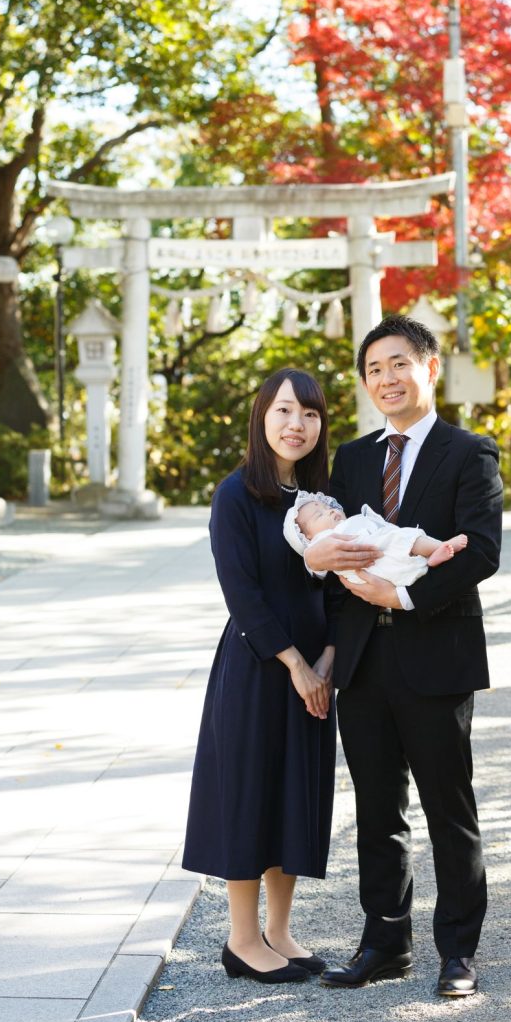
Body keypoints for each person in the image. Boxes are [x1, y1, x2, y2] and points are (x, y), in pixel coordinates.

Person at [304, 316, 503, 998]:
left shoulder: (468, 452)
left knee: (447, 807)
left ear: (428, 368)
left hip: (435, 655)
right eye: (372, 371)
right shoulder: (353, 460)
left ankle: (457, 953)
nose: (384, 379)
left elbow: (479, 551)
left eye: (396, 364)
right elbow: (334, 560)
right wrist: (329, 655)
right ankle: (383, 944)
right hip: (361, 663)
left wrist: (404, 596)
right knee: (377, 809)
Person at [182, 368, 337, 985]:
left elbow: (344, 589)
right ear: (261, 418)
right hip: (257, 668)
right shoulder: (235, 495)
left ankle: (280, 930)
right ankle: (241, 940)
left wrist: (328, 660)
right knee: (249, 796)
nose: (296, 424)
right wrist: (296, 664)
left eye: (309, 414)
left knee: (294, 796)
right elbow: (241, 594)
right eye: (283, 411)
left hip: (315, 670)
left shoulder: (323, 499)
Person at [284, 490, 468, 587]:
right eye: (319, 515)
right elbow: (318, 566)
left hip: (381, 564)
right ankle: (438, 548)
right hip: (371, 563)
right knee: (403, 537)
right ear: (307, 537)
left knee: (400, 544)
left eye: (326, 507)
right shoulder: (322, 540)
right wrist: (311, 558)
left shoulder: (347, 523)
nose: (330, 510)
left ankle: (428, 560)